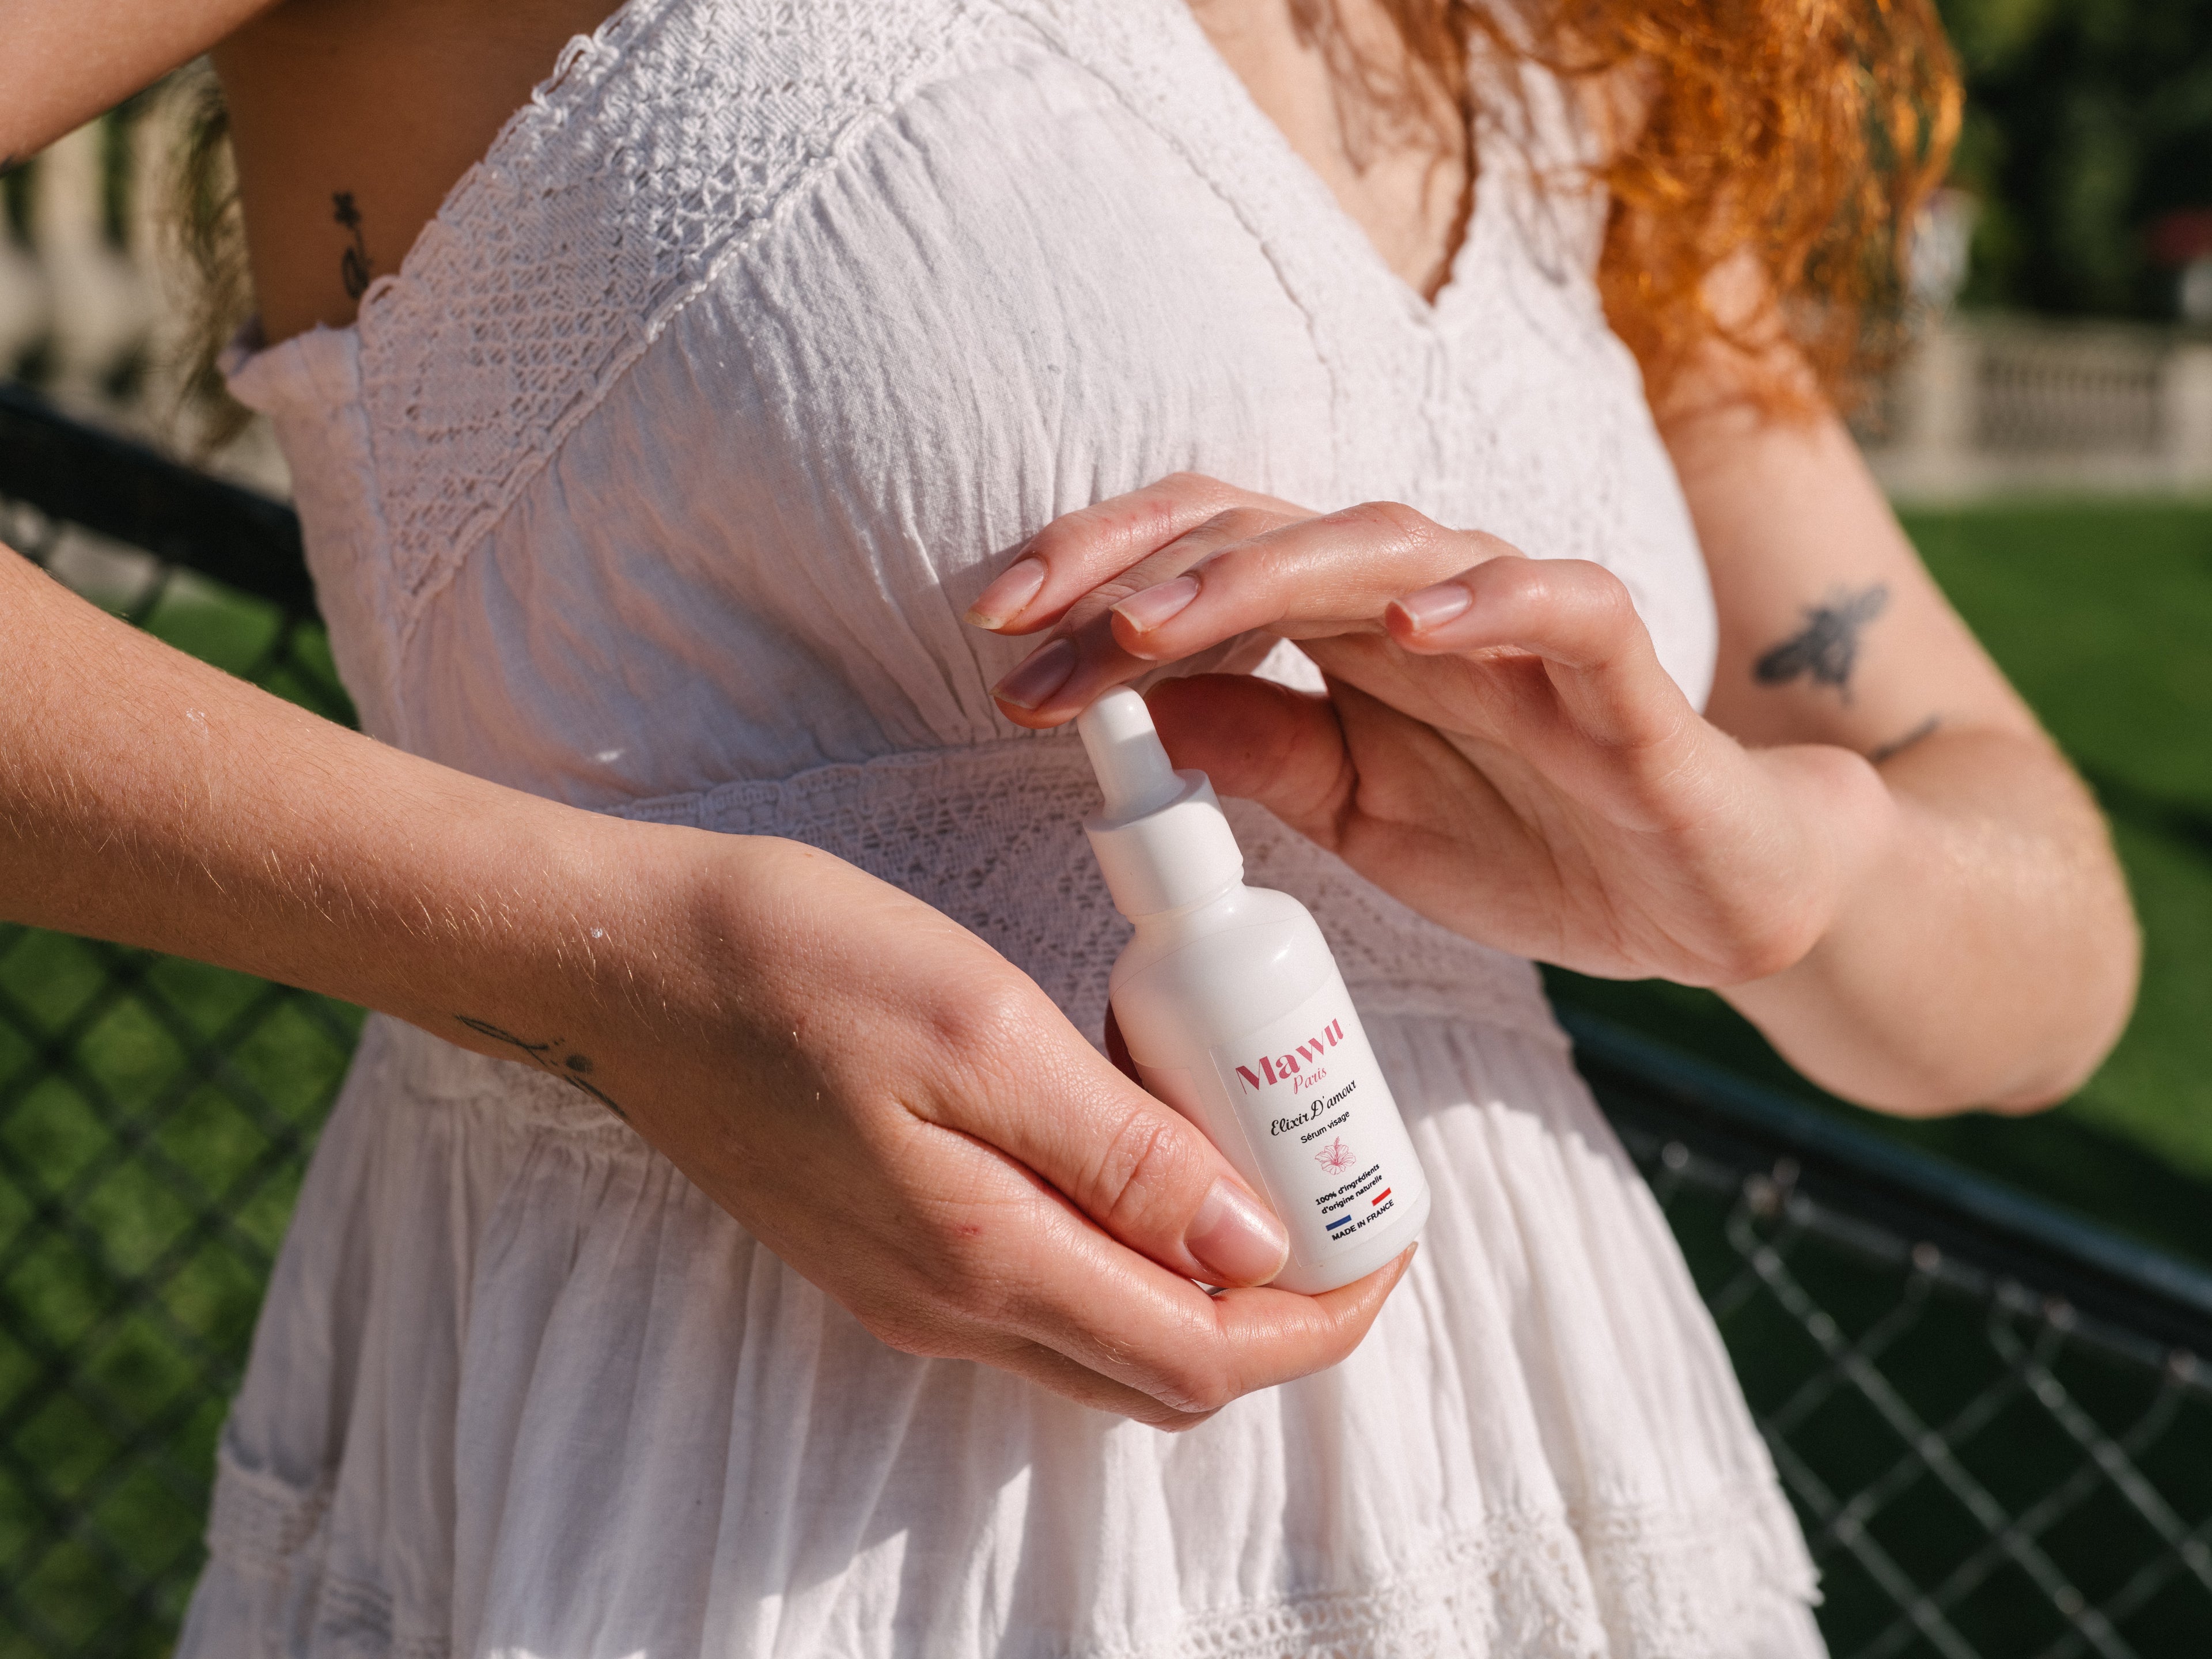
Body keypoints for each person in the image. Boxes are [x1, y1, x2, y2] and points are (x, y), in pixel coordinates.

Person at [1, 0, 2137, 1653]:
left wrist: (1780, 867)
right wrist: (594, 972)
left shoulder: (1573, 45)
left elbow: (2041, 978)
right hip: (755, 1536)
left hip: (1544, 1525)